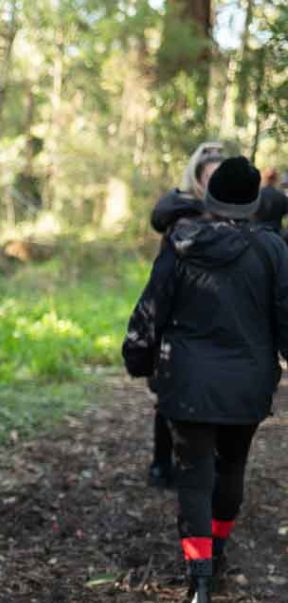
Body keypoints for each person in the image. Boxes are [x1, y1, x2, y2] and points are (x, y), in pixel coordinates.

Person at [123, 156, 288, 603]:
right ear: (255, 201)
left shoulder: (182, 241)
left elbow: (153, 306)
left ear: (210, 196)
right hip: (248, 383)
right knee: (232, 465)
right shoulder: (274, 249)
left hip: (188, 380)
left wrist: (137, 355)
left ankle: (198, 580)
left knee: (194, 476)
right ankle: (216, 552)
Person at [144, 142, 225, 488]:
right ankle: (162, 463)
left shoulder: (227, 215)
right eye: (210, 177)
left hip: (214, 311)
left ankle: (205, 463)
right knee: (168, 392)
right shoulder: (180, 212)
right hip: (176, 311)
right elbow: (161, 214)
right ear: (197, 178)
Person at [255, 167, 288, 233]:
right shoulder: (281, 196)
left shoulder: (256, 195)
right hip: (276, 232)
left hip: (256, 232)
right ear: (276, 179)